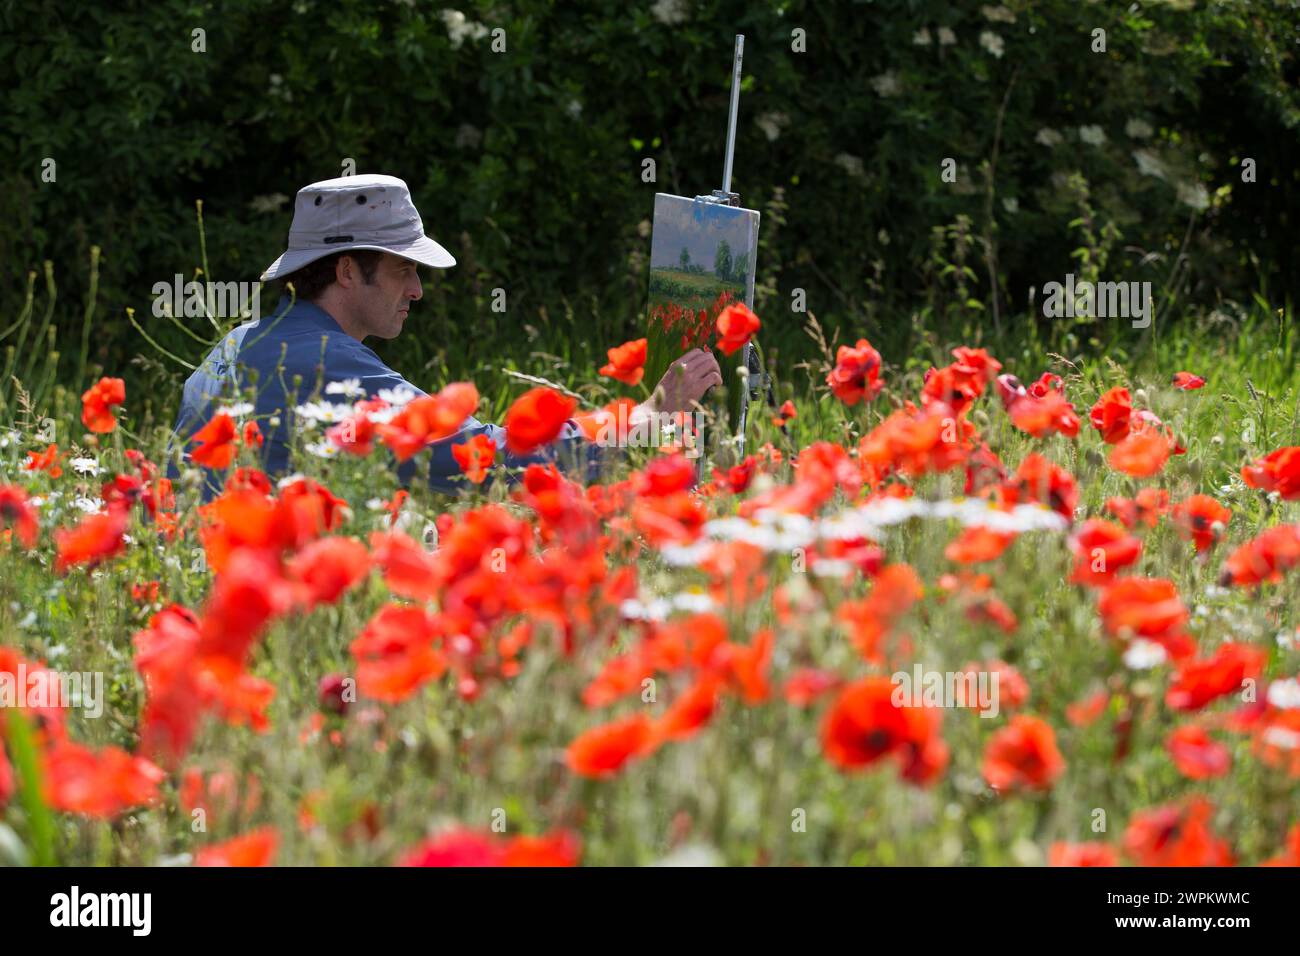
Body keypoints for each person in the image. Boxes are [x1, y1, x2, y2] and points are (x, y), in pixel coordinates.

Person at [170, 174, 721, 496]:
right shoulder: (327, 364)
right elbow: (484, 456)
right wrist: (649, 414)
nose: (417, 290)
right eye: (403, 270)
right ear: (345, 272)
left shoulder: (239, 342)